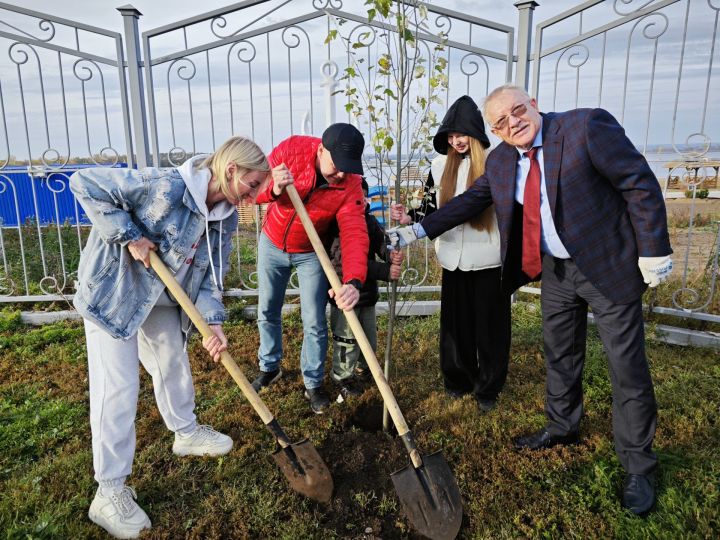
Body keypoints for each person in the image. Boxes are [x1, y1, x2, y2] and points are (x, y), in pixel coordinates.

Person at [389, 84, 673, 516]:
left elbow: (638, 183)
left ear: (534, 105)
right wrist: (415, 230)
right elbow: (469, 202)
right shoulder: (503, 160)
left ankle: (637, 465)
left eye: (517, 111)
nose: (512, 123)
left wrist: (653, 249)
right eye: (500, 121)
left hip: (608, 266)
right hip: (557, 271)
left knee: (626, 367)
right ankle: (562, 426)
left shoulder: (584, 127)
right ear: (495, 131)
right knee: (560, 353)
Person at [70, 136, 270, 539]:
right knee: (119, 388)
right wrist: (129, 234)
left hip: (161, 299)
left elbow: (214, 276)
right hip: (116, 295)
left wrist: (212, 323)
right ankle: (108, 491)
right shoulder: (165, 185)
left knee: (172, 363)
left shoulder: (226, 215)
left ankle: (186, 432)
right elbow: (84, 182)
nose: (254, 197)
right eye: (251, 186)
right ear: (230, 171)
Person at [393, 95, 510, 412]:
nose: (457, 141)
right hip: (452, 259)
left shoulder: (494, 163)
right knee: (454, 328)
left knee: (489, 328)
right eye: (451, 136)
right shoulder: (438, 165)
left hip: (488, 260)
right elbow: (431, 208)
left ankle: (488, 387)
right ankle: (457, 380)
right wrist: (411, 218)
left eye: (462, 135)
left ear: (475, 134)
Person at [251, 123, 369, 414]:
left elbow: (354, 232)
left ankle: (313, 383)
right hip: (272, 242)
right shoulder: (292, 149)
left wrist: (353, 280)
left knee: (314, 319)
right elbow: (256, 188)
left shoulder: (350, 183)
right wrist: (275, 188)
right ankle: (270, 366)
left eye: (348, 167)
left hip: (311, 252)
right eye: (336, 165)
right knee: (267, 309)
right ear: (320, 150)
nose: (341, 173)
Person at [328, 178, 404, 400]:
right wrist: (384, 272)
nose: (359, 201)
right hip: (345, 295)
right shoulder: (338, 224)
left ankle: (363, 368)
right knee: (347, 339)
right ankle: (342, 375)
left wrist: (391, 254)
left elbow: (381, 244)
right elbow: (344, 262)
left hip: (367, 293)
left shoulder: (370, 221)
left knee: (369, 338)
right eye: (354, 196)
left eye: (362, 197)